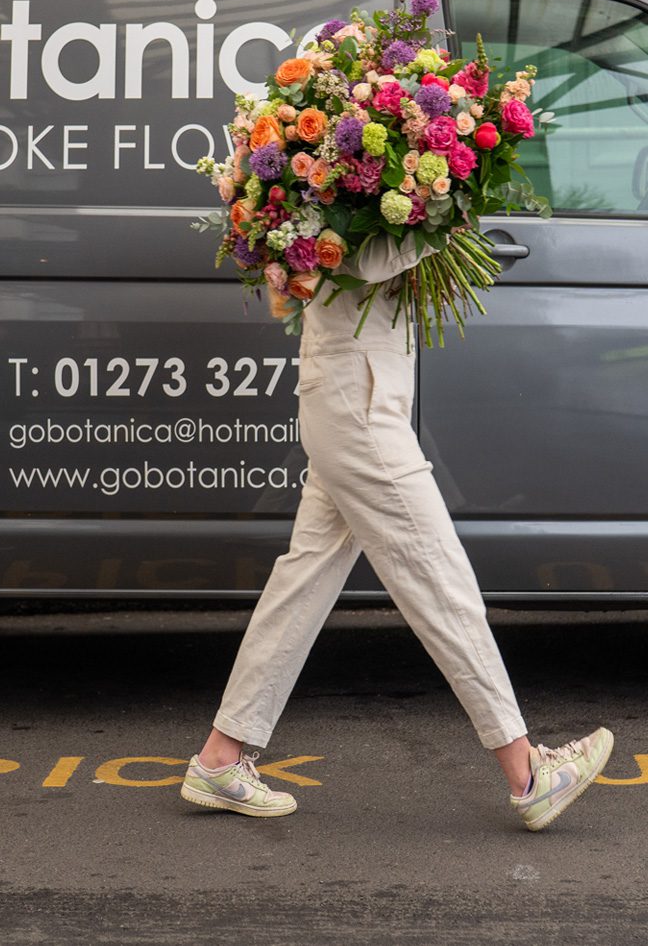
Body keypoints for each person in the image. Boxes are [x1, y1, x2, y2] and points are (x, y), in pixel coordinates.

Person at [180, 234, 613, 831]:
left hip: (351, 398)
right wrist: (442, 219)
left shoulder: (319, 178)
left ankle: (219, 759)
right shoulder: (335, 185)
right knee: (439, 578)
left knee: (302, 585)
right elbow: (358, 257)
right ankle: (530, 773)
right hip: (358, 409)